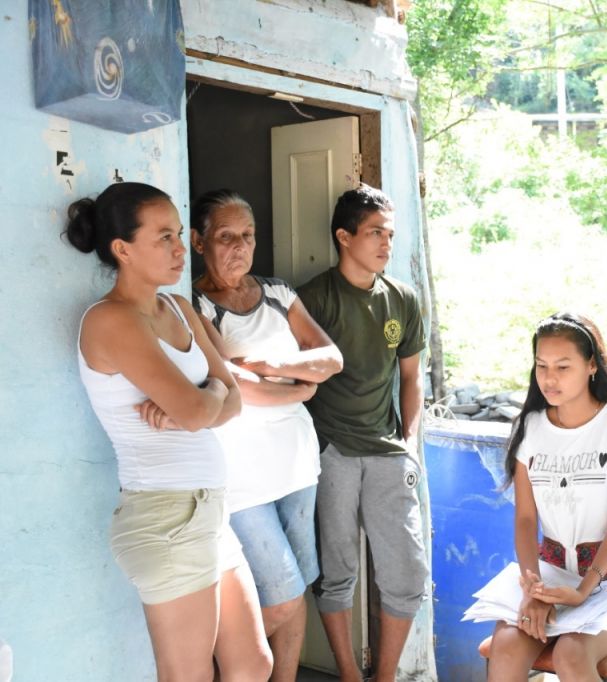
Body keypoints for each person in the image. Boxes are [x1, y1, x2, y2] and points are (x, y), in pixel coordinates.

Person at [66, 181, 273, 681]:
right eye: (163, 237)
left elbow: (232, 399)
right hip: (166, 515)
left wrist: (203, 399)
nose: (181, 248)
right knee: (188, 675)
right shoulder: (109, 320)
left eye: (179, 234)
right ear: (123, 249)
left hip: (206, 510)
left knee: (251, 664)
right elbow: (203, 410)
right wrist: (202, 401)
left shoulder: (180, 309)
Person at [190, 189, 343, 682]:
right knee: (277, 600)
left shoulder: (278, 293)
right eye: (225, 236)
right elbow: (234, 387)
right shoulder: (193, 304)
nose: (239, 247)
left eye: (248, 236)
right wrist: (300, 389)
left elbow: (331, 359)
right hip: (242, 478)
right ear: (198, 242)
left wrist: (276, 366)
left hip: (297, 464)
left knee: (298, 589)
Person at [297, 185, 427, 682]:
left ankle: (386, 676)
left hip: (389, 452)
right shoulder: (314, 297)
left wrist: (410, 444)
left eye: (390, 235)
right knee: (337, 571)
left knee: (406, 574)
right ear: (343, 236)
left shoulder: (403, 299)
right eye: (375, 232)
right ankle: (351, 673)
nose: (385, 244)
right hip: (332, 451)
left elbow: (411, 378)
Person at [487, 312, 607, 682]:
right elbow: (526, 520)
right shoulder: (530, 426)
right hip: (549, 572)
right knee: (505, 645)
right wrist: (532, 587)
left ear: (591, 364)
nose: (550, 378)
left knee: (571, 654)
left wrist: (583, 589)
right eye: (542, 366)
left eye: (563, 367)